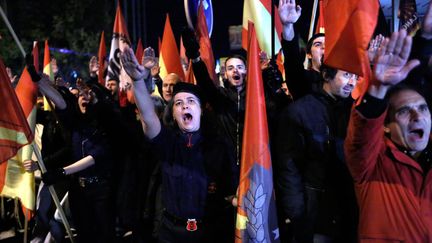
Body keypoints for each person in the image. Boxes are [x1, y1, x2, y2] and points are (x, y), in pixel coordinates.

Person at [121, 46, 236, 243]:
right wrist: (138, 81)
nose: (184, 106)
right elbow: (148, 118)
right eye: (178, 103)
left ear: (200, 110)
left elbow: (231, 188)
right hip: (171, 233)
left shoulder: (218, 146)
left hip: (210, 232)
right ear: (173, 114)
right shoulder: (168, 142)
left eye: (191, 101)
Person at [344, 29, 430, 242]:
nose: (416, 116)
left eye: (423, 108)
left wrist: (426, 36)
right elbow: (361, 135)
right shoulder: (370, 163)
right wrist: (378, 87)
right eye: (404, 111)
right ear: (385, 126)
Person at [275, 63, 359, 242]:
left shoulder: (357, 112)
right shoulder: (299, 111)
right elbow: (288, 167)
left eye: (355, 77)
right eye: (346, 75)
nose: (352, 82)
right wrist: (297, 213)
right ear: (327, 75)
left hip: (350, 210)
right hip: (314, 213)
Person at [279, 0, 324, 99]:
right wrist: (288, 26)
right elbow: (292, 59)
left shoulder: (342, 80)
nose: (323, 47)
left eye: (326, 44)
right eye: (318, 44)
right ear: (309, 54)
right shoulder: (303, 79)